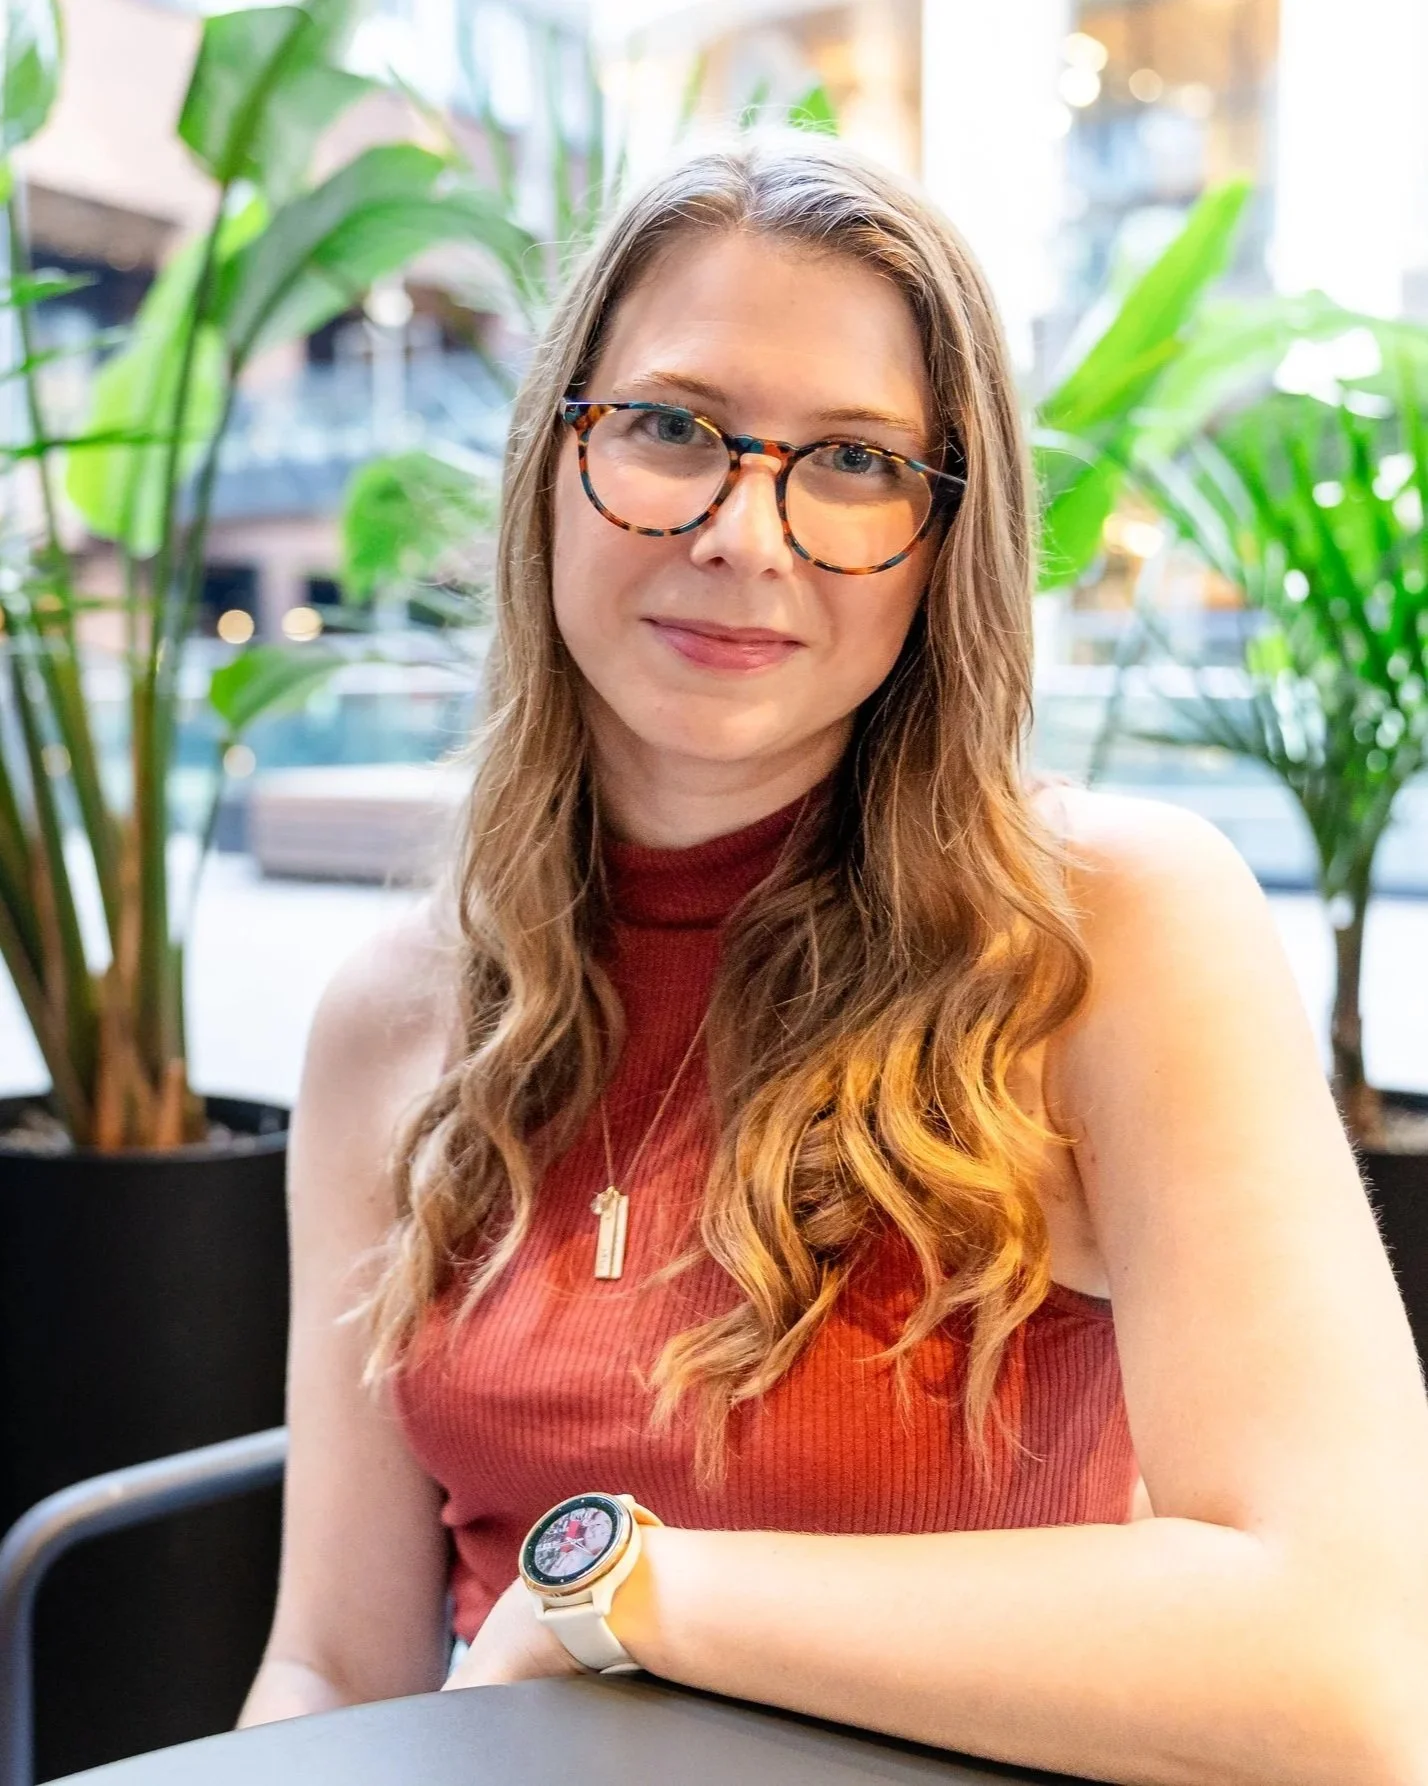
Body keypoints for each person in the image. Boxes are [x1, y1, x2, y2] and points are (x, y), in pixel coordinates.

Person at [237, 129, 1428, 1783]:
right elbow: (335, 1658)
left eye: (857, 462)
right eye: (671, 428)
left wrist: (626, 1587)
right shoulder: (394, 1012)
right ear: (552, 455)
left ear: (948, 542)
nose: (747, 531)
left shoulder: (1105, 929)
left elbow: (1355, 1671)